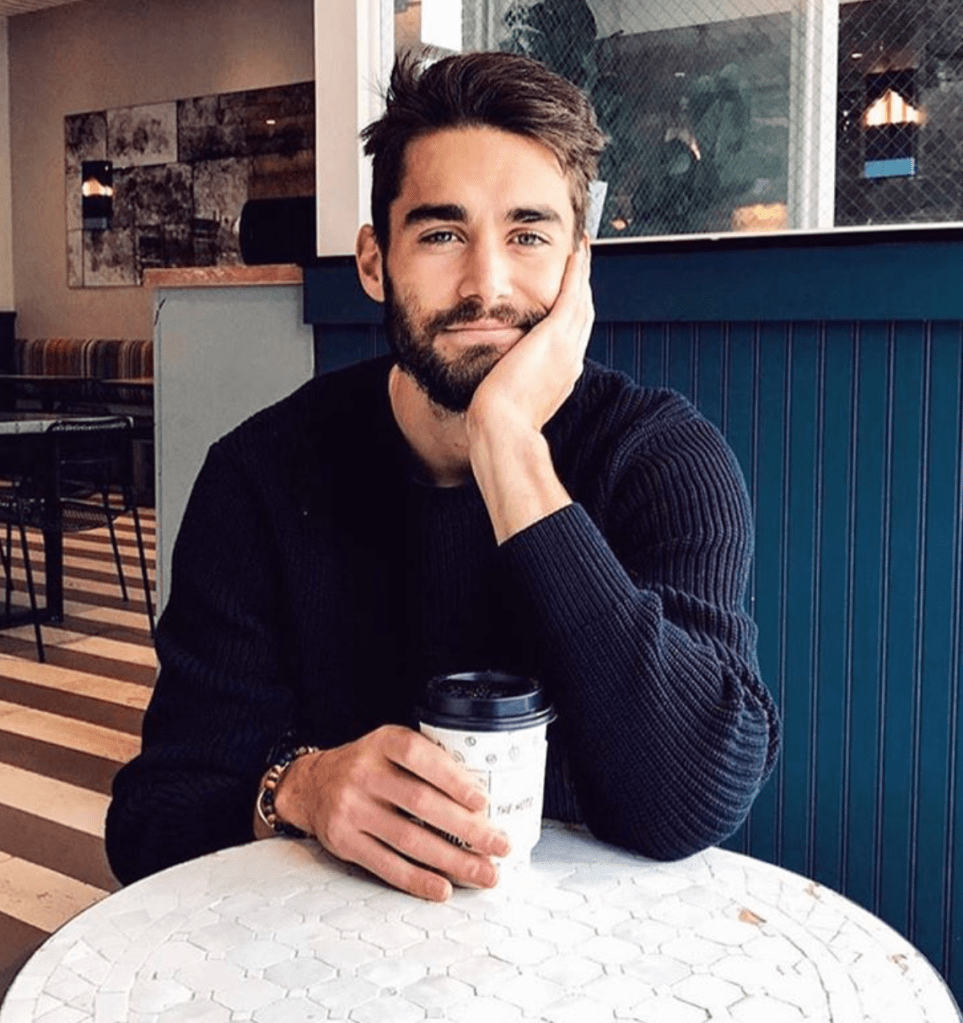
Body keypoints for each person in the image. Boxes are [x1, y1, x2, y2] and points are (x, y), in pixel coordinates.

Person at [106, 50, 779, 902]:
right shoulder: (260, 478)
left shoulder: (660, 459)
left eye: (527, 234)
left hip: (591, 961)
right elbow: (151, 819)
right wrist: (300, 789)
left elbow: (692, 794)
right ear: (373, 261)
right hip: (318, 966)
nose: (485, 283)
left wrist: (507, 447)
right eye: (441, 233)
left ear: (580, 265)